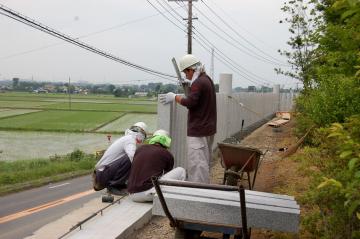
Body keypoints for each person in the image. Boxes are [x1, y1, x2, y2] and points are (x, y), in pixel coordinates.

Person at [159, 54, 217, 184]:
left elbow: (190, 102)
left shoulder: (198, 83)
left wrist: (174, 97)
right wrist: (191, 86)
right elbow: (199, 98)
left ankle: (199, 193)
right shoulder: (207, 79)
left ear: (191, 69)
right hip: (208, 129)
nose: (186, 76)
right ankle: (203, 188)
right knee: (204, 162)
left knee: (197, 165)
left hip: (198, 131)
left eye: (186, 73)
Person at [127, 129, 186, 202]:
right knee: (181, 170)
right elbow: (168, 175)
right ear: (166, 142)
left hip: (132, 194)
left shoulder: (140, 149)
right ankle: (178, 199)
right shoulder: (166, 154)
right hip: (148, 193)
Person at [92, 122, 147, 194]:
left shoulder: (127, 138)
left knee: (134, 158)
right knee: (131, 158)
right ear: (141, 133)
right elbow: (132, 157)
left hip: (102, 173)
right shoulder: (130, 140)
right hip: (102, 174)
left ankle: (119, 185)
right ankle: (114, 186)